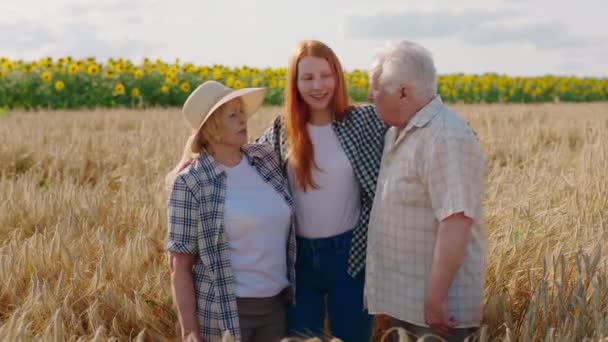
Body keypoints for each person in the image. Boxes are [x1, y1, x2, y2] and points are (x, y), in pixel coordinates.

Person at [257, 39, 387, 342]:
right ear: (295, 83)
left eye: (325, 75)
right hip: (298, 259)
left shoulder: (365, 121)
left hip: (351, 255)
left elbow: (411, 131)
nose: (318, 85)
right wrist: (190, 155)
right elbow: (240, 156)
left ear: (337, 77)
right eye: (308, 77)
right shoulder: (282, 129)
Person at [364, 40, 487, 342]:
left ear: (403, 92)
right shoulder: (399, 131)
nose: (370, 96)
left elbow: (456, 220)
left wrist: (435, 298)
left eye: (376, 87)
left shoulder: (445, 136)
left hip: (437, 315)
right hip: (407, 306)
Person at [166, 80, 296, 342]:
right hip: (224, 313)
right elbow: (179, 266)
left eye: (242, 113)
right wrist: (189, 330)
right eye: (232, 115)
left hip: (277, 307)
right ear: (211, 128)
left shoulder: (264, 159)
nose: (243, 120)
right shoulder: (191, 182)